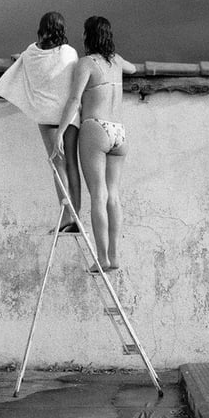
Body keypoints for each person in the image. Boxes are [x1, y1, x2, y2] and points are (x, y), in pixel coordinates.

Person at [54, 16, 136, 273]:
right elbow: (133, 69)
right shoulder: (118, 62)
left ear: (89, 36)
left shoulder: (86, 63)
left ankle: (102, 258)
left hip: (96, 128)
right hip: (119, 133)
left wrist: (60, 132)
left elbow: (74, 100)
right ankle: (115, 255)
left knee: (98, 195)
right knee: (114, 195)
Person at [0, 12, 81, 232]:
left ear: (41, 29)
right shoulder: (70, 53)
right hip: (69, 116)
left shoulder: (30, 53)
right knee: (72, 164)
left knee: (57, 166)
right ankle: (75, 215)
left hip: (46, 117)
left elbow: (19, 70)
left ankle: (66, 216)